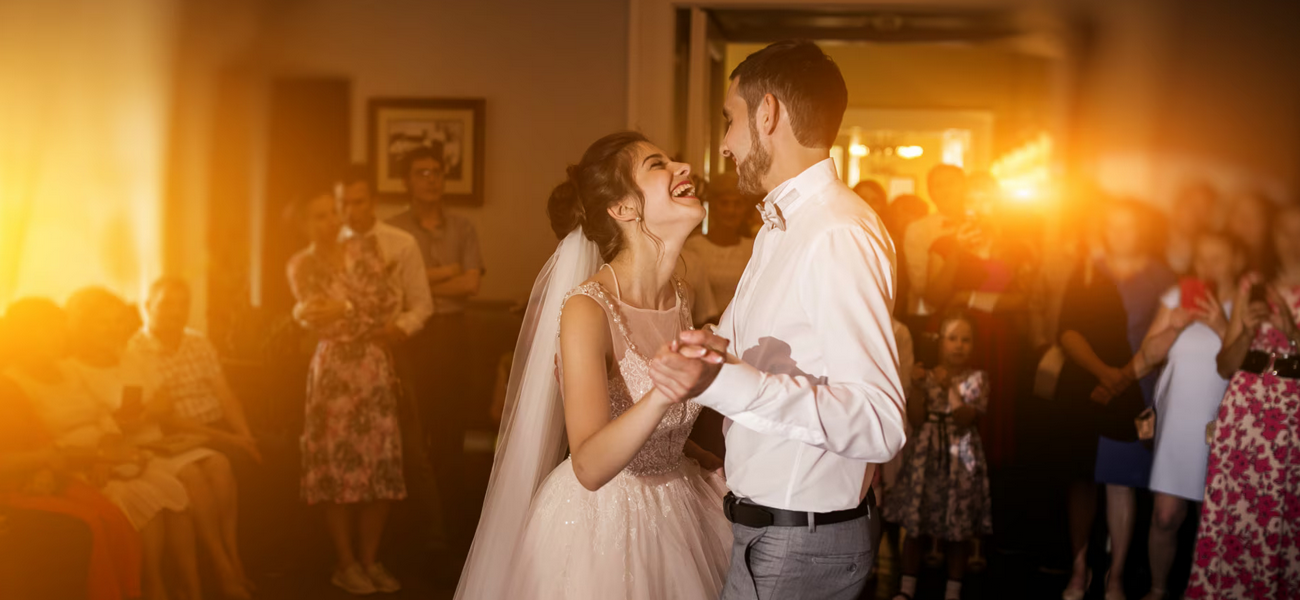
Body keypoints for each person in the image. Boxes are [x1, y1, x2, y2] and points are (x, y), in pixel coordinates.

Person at [650, 40, 908, 600]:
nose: (723, 145)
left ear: (767, 113)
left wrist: (721, 380)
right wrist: (705, 349)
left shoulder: (836, 232)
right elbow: (755, 350)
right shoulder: (780, 226)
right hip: (764, 528)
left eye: (729, 120)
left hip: (800, 544)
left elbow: (878, 421)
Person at [455, 131, 730, 599]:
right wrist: (665, 389)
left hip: (682, 511)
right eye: (658, 165)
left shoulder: (680, 298)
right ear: (623, 209)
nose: (684, 169)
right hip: (603, 526)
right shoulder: (588, 309)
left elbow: (662, 433)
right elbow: (588, 464)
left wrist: (700, 458)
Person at [296, 166, 446, 549]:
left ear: (374, 202)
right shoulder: (328, 248)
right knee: (340, 458)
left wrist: (392, 330)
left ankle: (429, 546)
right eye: (342, 204)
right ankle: (348, 558)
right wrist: (303, 313)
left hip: (390, 351)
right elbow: (308, 304)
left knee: (407, 451)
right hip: (338, 361)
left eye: (358, 202)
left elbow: (420, 306)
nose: (348, 212)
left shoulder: (400, 243)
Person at [67, 288, 251, 599]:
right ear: (83, 325)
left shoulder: (130, 356)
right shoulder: (75, 369)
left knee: (218, 463)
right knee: (191, 477)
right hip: (130, 448)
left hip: (156, 440)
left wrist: (141, 414)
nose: (112, 330)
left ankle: (228, 563)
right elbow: (108, 422)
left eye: (115, 322)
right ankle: (219, 572)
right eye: (102, 323)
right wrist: (141, 415)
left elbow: (164, 404)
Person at [4, 298, 191, 600]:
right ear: (27, 334)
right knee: (96, 521)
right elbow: (44, 438)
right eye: (51, 330)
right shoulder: (12, 381)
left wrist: (107, 447)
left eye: (60, 330)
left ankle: (167, 588)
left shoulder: (63, 370)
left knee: (146, 499)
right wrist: (48, 464)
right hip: (58, 466)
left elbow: (97, 417)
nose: (60, 337)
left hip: (82, 457)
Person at [1052, 199, 1176, 600]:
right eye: (1115, 226)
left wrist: (1123, 380)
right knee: (1082, 479)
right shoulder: (1089, 268)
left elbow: (1170, 336)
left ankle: (1116, 576)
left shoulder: (1162, 275)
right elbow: (1067, 331)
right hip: (1086, 388)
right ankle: (1079, 569)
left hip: (1138, 390)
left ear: (1142, 230)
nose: (1122, 233)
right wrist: (1106, 375)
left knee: (1122, 483)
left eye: (1130, 226)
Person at [286, 191, 407, 595]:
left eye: (332, 214)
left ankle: (370, 560)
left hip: (372, 364)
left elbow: (389, 303)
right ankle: (345, 563)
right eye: (318, 216)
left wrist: (347, 309)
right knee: (336, 469)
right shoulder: (300, 265)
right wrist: (352, 308)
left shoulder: (363, 248)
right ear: (305, 223)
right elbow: (315, 313)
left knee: (380, 467)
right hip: (334, 370)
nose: (328, 222)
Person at [1187, 205, 1300, 600]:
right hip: (1246, 406)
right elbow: (1224, 365)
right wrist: (1247, 330)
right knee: (1237, 508)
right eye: (1285, 232)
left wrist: (1292, 334)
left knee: (1281, 509)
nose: (1291, 241)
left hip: (1291, 414)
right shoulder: (1253, 281)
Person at [386, 144, 485, 545]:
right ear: (407, 181)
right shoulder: (391, 230)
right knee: (411, 433)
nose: (430, 179)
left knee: (450, 433)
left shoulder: (463, 227)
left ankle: (451, 530)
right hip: (411, 338)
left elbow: (472, 284)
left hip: (451, 335)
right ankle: (415, 529)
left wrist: (424, 278)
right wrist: (449, 271)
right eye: (422, 173)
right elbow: (395, 289)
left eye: (436, 173)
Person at [1136, 232, 1242, 600]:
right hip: (1178, 414)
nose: (1208, 266)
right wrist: (1177, 322)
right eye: (1202, 257)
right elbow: (1149, 354)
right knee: (1165, 515)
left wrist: (1219, 324)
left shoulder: (1247, 303)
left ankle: (1207, 590)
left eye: (1218, 257)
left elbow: (1248, 366)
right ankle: (1157, 589)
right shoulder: (1176, 296)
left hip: (1225, 418)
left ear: (1237, 261)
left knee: (1213, 519)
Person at [920, 175, 1029, 467]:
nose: (979, 207)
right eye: (972, 200)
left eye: (987, 199)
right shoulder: (945, 244)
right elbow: (933, 296)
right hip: (955, 335)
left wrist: (966, 297)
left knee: (992, 411)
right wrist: (956, 249)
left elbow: (1025, 299)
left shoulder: (1014, 246)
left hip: (997, 340)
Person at [0, 374, 141, 600]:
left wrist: (44, 469)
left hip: (39, 470)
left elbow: (38, 433)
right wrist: (39, 460)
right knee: (88, 524)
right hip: (8, 488)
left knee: (112, 517)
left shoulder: (8, 385)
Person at [884, 309, 991, 600]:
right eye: (952, 338)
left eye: (966, 340)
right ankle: (906, 589)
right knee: (916, 525)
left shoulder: (976, 378)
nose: (958, 345)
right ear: (940, 342)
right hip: (926, 457)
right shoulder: (927, 376)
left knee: (957, 527)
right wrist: (918, 386)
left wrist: (949, 387)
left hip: (960, 457)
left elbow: (964, 417)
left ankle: (953, 590)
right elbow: (916, 418)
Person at [127, 279, 261, 465]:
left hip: (218, 423)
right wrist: (229, 439)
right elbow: (167, 418)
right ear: (148, 306)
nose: (177, 311)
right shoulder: (135, 351)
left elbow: (225, 395)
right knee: (231, 461)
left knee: (269, 453)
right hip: (182, 433)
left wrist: (246, 436)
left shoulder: (199, 342)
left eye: (184, 304)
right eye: (167, 304)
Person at [681, 171, 757, 326]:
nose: (731, 211)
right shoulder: (692, 248)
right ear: (713, 207)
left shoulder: (754, 248)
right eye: (724, 203)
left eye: (737, 204)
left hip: (744, 327)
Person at [903, 164, 967, 317]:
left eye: (951, 183)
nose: (946, 190)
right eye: (938, 185)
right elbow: (921, 285)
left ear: (965, 187)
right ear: (930, 193)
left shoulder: (980, 224)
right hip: (930, 314)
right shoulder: (917, 229)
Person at [1165, 182, 1218, 275]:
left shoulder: (1205, 253)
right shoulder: (1152, 238)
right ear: (1178, 204)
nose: (1195, 213)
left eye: (1203, 208)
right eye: (1191, 204)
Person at [1224, 190, 1274, 274]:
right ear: (1229, 221)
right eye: (1240, 216)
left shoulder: (1283, 264)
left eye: (1255, 216)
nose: (1247, 223)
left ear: (1267, 222)